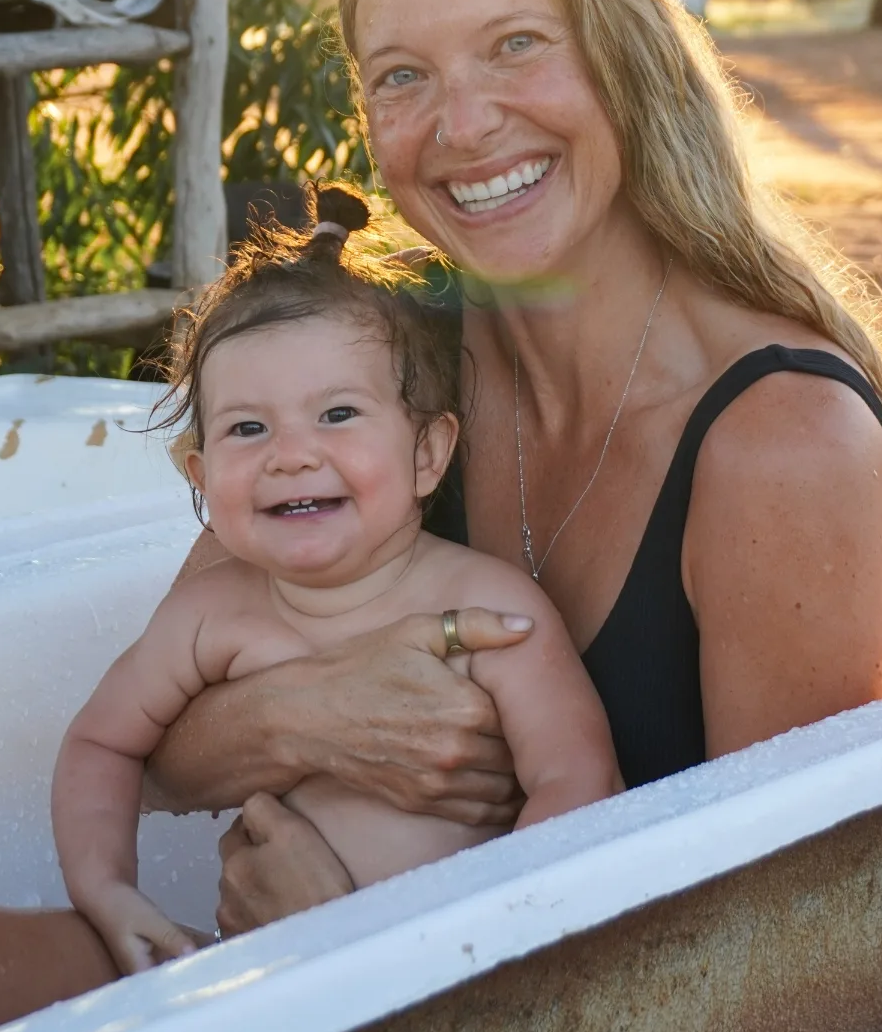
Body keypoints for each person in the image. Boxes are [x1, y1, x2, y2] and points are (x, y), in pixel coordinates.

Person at [0, 0, 882, 1032]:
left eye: (516, 45)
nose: (462, 124)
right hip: (290, 980)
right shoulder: (382, 356)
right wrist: (321, 715)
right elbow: (168, 743)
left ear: (627, 57)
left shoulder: (781, 439)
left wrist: (375, 943)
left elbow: (805, 955)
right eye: (403, 74)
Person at [52, 182, 620, 975]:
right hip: (268, 975)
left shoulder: (489, 608)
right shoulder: (208, 616)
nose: (291, 454)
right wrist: (107, 890)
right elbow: (99, 745)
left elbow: (580, 782)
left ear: (427, 454)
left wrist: (495, 936)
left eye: (338, 415)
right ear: (202, 477)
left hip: (460, 974)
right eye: (248, 427)